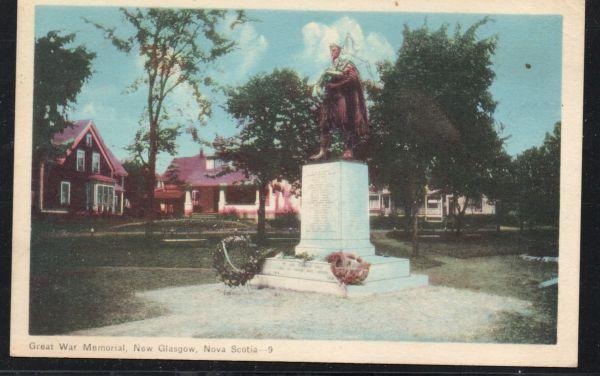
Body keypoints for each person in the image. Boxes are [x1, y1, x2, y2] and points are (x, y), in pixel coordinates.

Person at [310, 43, 369, 160]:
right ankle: (322, 151)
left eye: (335, 50)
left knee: (345, 122)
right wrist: (318, 88)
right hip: (330, 99)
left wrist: (335, 85)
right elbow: (322, 82)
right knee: (324, 124)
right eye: (331, 50)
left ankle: (348, 149)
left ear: (340, 52)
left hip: (343, 97)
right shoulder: (329, 68)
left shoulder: (347, 64)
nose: (333, 52)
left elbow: (353, 79)